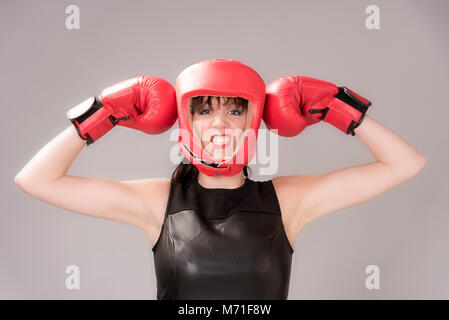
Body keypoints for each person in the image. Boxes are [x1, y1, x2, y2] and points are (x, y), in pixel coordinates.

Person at [14, 59, 427, 300]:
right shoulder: (159, 203)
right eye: (204, 110)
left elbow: (404, 164)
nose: (219, 125)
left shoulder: (285, 202)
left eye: (234, 110)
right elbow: (36, 179)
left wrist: (338, 105)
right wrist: (103, 112)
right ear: (185, 119)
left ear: (255, 118)